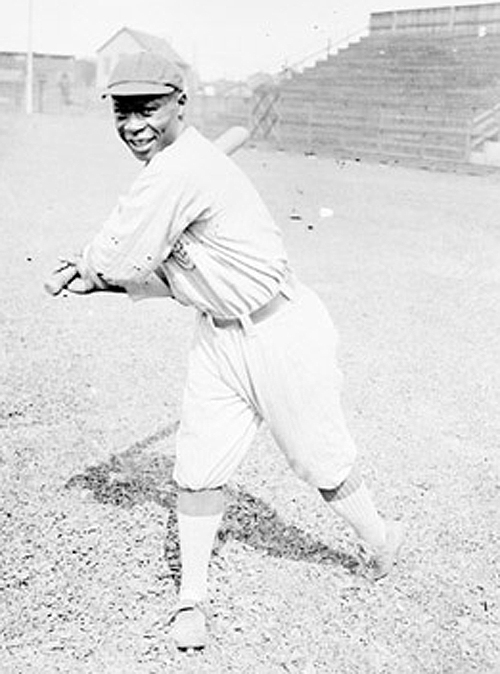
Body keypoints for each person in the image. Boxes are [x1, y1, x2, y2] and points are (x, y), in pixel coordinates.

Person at [52, 51, 403, 652]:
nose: (135, 124)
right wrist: (106, 283)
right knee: (196, 468)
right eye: (123, 110)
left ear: (181, 104)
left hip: (282, 330)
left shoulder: (181, 171)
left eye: (150, 108)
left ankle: (380, 538)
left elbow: (116, 253)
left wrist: (93, 269)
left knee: (321, 464)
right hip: (218, 334)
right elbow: (175, 277)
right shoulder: (175, 171)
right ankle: (192, 598)